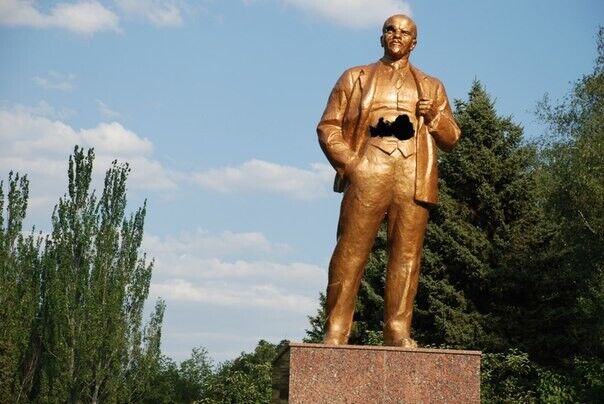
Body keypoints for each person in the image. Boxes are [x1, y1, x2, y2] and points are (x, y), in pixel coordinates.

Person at [317, 14, 461, 348]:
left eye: (404, 32)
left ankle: (397, 330)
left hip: (412, 175)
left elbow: (452, 137)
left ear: (414, 42)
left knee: (406, 257)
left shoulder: (431, 85)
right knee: (350, 251)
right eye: (390, 30)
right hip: (369, 167)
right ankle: (336, 329)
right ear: (381, 37)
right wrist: (352, 165)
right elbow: (328, 126)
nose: (397, 35)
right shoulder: (355, 77)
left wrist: (434, 116)